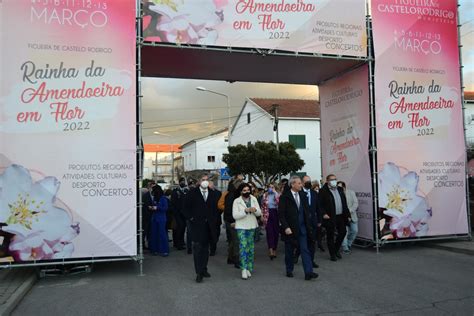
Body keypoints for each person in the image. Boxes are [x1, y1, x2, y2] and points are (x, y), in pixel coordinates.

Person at [278, 176, 318, 281]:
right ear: (293, 184)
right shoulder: (285, 197)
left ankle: (308, 272)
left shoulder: (303, 195)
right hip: (290, 229)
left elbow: (306, 211)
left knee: (305, 250)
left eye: (301, 183)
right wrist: (286, 227)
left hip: (302, 228)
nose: (301, 185)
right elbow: (281, 214)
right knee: (289, 250)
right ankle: (289, 269)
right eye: (299, 183)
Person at [183, 174, 220, 283]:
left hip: (209, 226)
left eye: (207, 180)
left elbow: (216, 210)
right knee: (198, 248)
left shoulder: (213, 194)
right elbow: (185, 208)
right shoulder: (192, 193)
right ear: (199, 181)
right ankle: (198, 272)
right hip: (197, 226)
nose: (205, 181)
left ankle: (204, 268)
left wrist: (214, 221)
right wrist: (192, 218)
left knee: (205, 249)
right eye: (203, 180)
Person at [232, 183, 262, 280]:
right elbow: (235, 215)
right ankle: (243, 268)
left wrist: (254, 210)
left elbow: (259, 213)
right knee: (243, 247)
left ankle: (249, 267)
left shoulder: (253, 198)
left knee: (250, 247)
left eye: (248, 190)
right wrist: (245, 211)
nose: (246, 192)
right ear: (241, 191)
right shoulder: (236, 201)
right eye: (244, 190)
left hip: (252, 225)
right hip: (241, 226)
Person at [319, 174, 351, 261]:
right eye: (332, 180)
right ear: (327, 181)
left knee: (343, 232)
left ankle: (336, 249)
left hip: (340, 216)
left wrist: (348, 215)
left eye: (335, 179)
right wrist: (323, 214)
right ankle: (332, 254)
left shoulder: (340, 189)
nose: (334, 181)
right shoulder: (323, 191)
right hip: (330, 217)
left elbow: (344, 204)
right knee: (330, 235)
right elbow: (320, 205)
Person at [302, 175, 321, 268]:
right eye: (306, 182)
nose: (308, 183)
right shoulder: (299, 193)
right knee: (302, 241)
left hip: (313, 221)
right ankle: (297, 255)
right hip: (302, 222)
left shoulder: (314, 193)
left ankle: (311, 260)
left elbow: (318, 207)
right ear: (302, 183)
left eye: (309, 181)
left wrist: (319, 220)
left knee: (312, 242)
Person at [224, 179, 243, 269]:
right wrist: (232, 221)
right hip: (232, 221)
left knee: (233, 240)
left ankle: (230, 258)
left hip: (232, 220)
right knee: (236, 240)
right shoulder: (231, 195)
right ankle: (236, 260)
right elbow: (228, 210)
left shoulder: (233, 194)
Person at [338, 181, 359, 254]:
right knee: (344, 232)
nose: (339, 189)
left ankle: (349, 244)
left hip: (352, 215)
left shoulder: (351, 192)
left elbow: (355, 203)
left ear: (344, 187)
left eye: (341, 187)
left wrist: (349, 211)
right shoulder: (337, 195)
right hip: (342, 217)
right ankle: (345, 248)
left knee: (355, 230)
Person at [261, 183, 280, 260]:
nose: (271, 188)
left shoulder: (277, 195)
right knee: (270, 232)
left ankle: (275, 248)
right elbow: (262, 205)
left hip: (276, 213)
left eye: (272, 187)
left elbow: (279, 203)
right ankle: (271, 250)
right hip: (267, 214)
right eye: (269, 187)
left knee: (276, 232)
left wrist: (275, 193)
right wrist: (262, 215)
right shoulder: (265, 195)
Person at [150, 185, 170, 256]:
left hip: (161, 218)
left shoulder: (163, 198)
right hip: (154, 218)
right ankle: (155, 249)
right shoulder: (154, 198)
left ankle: (164, 250)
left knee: (162, 234)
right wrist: (152, 207)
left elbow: (165, 208)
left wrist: (157, 207)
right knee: (154, 234)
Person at [170, 178, 189, 250]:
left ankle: (181, 242)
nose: (183, 183)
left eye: (184, 182)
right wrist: (175, 212)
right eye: (182, 182)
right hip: (177, 213)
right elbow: (173, 203)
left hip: (184, 214)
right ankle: (178, 244)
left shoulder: (186, 191)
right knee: (178, 228)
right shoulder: (175, 191)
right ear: (179, 182)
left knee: (183, 228)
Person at [208, 180, 222, 256]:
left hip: (216, 217)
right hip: (208, 217)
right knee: (210, 234)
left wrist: (219, 212)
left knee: (216, 233)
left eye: (211, 184)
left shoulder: (218, 193)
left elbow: (220, 205)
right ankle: (212, 249)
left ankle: (213, 245)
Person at [141, 180, 156, 249]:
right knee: (145, 231)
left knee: (150, 232)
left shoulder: (153, 194)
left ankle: (150, 244)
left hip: (152, 216)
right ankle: (142, 245)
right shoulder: (145, 195)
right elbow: (144, 206)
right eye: (151, 186)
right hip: (146, 216)